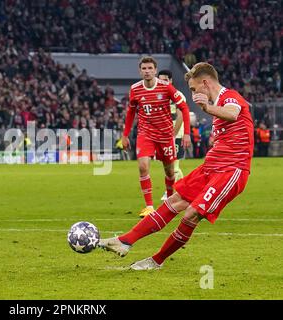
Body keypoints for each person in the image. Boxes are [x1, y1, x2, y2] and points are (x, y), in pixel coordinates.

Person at [99, 62, 254, 270]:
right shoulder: (218, 105)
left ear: (205, 83)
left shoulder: (230, 97)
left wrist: (207, 108)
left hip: (231, 172)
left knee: (191, 213)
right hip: (210, 167)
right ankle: (125, 241)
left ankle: (156, 261)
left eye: (193, 89)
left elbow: (233, 113)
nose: (191, 94)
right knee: (175, 200)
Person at [122, 56, 191, 218]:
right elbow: (131, 112)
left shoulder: (166, 87)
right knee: (143, 166)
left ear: (155, 70)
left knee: (170, 173)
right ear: (140, 71)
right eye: (144, 69)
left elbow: (184, 108)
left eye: (150, 69)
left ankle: (169, 201)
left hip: (165, 135)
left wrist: (186, 133)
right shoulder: (135, 89)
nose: (147, 71)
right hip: (145, 134)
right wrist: (124, 135)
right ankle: (149, 207)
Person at [157, 70, 187, 201]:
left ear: (171, 81)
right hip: (163, 136)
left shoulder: (177, 95)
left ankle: (169, 193)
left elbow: (181, 116)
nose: (162, 82)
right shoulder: (158, 95)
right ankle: (185, 188)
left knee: (173, 165)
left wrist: (174, 134)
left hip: (176, 135)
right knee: (169, 165)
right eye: (160, 80)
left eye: (165, 80)